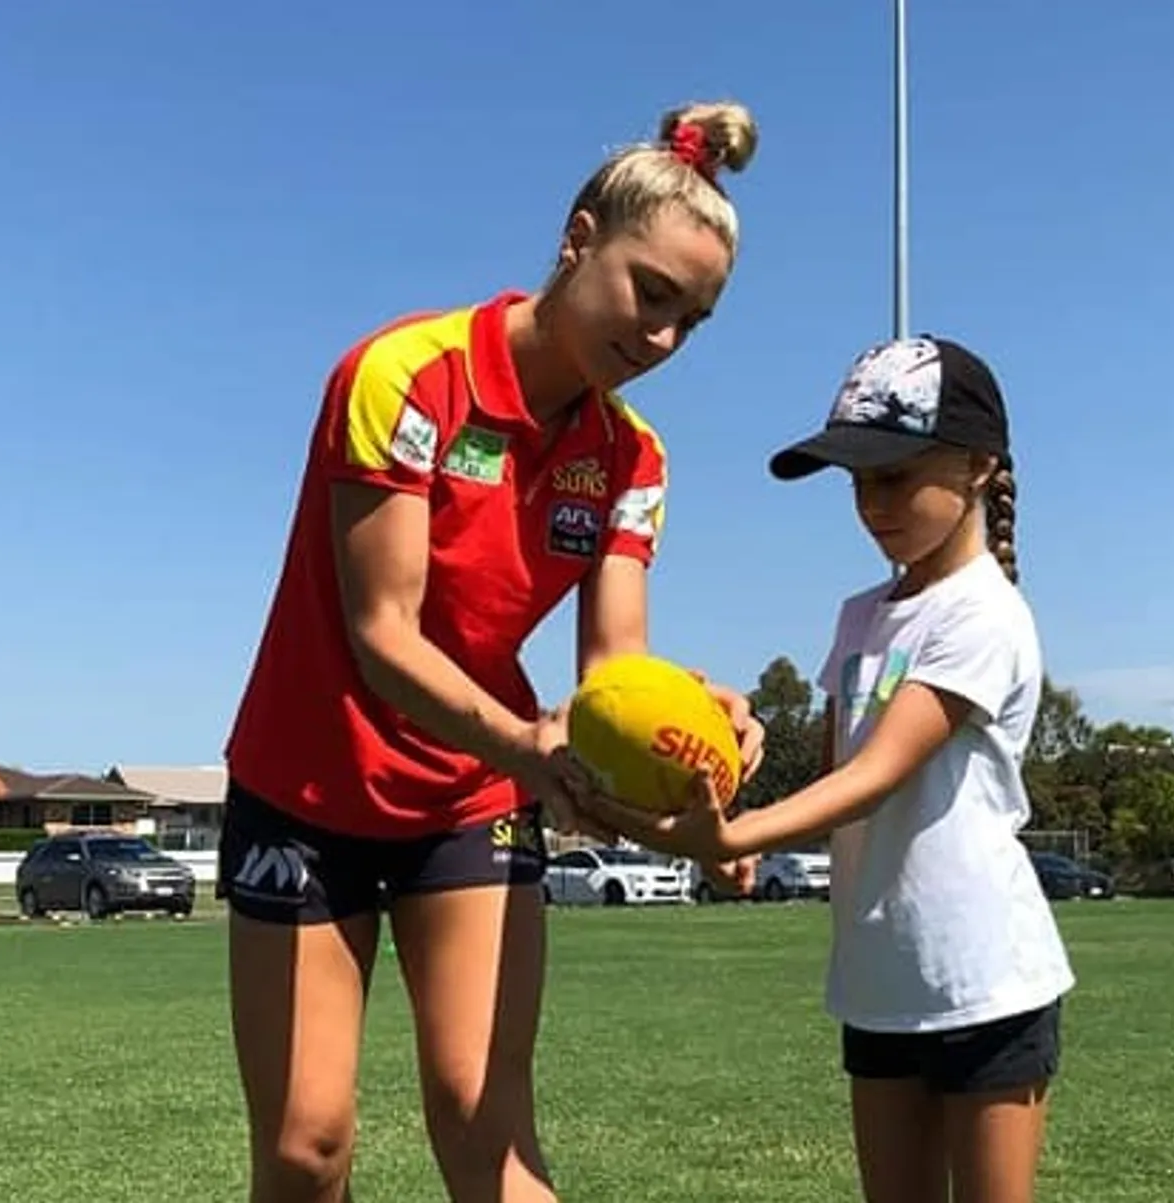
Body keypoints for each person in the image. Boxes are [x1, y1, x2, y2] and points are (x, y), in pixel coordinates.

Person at [218, 101, 769, 1203]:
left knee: (488, 1134)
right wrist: (527, 747)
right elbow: (383, 635)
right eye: (647, 293)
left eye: (690, 322)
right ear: (576, 241)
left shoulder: (633, 457)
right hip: (307, 783)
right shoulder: (402, 375)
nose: (659, 339)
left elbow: (612, 667)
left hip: (471, 797)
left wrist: (690, 723)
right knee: (303, 1149)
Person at [585, 336, 1074, 1203]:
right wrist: (724, 783)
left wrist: (729, 832)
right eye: (856, 480)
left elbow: (876, 775)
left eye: (892, 474)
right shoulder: (859, 617)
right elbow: (829, 781)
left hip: (987, 979)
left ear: (978, 468)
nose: (870, 502)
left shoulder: (988, 614)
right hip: (877, 981)